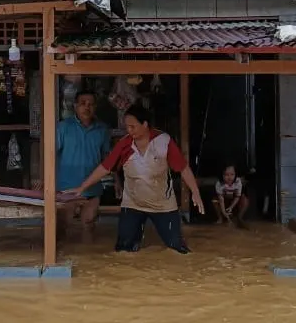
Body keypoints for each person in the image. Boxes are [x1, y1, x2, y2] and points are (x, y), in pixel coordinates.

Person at [68, 103, 204, 254]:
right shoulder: (124, 144)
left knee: (178, 250)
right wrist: (82, 187)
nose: (129, 130)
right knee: (123, 252)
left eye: (133, 126)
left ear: (145, 124)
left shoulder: (163, 142)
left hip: (163, 205)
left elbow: (183, 168)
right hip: (133, 204)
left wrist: (195, 192)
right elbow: (105, 168)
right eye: (127, 126)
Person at [54, 90, 112, 242]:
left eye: (91, 104)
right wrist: (43, 180)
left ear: (95, 107)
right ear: (75, 106)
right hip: (66, 188)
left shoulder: (102, 129)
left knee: (89, 225)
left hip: (92, 187)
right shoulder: (63, 127)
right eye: (82, 104)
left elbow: (107, 159)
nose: (87, 107)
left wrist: (116, 179)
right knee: (62, 226)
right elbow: (49, 154)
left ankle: (87, 258)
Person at [212, 164, 249, 228]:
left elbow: (237, 197)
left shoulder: (238, 182)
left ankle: (239, 217)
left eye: (232, 174)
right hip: (223, 201)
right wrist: (224, 212)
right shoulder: (219, 184)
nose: (229, 177)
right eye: (226, 175)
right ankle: (220, 218)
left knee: (245, 200)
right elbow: (221, 199)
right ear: (222, 175)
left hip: (234, 201)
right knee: (214, 200)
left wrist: (231, 207)